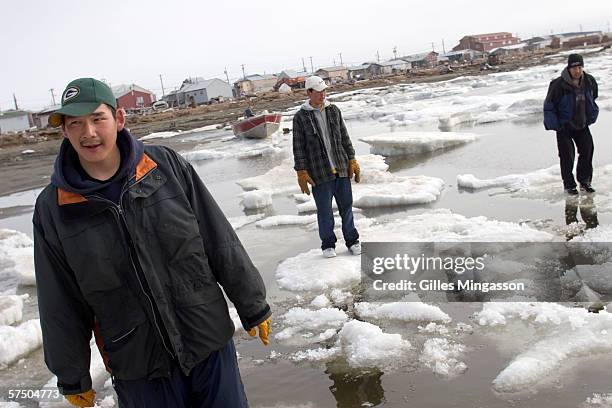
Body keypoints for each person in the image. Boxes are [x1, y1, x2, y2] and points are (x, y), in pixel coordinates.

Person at [33, 78, 272, 408]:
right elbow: (58, 298)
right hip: (138, 365)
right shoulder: (54, 208)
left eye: (97, 119)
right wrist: (71, 374)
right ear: (65, 131)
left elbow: (217, 237)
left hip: (206, 340)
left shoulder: (165, 167)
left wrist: (252, 303)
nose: (88, 133)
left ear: (118, 120)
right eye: (75, 123)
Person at [292, 75, 361, 258]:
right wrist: (301, 171)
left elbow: (344, 137)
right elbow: (298, 147)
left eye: (324, 91)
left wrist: (352, 160)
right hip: (319, 173)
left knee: (346, 207)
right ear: (309, 93)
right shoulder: (301, 117)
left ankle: (352, 241)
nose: (322, 95)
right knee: (324, 212)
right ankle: (328, 245)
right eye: (318, 92)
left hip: (341, 168)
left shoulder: (334, 110)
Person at [544, 53, 599, 195]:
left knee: (587, 152)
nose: (577, 70)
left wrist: (592, 115)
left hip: (582, 124)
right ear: (569, 68)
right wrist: (556, 125)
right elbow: (549, 106)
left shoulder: (589, 81)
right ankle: (569, 186)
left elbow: (593, 97)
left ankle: (585, 181)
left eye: (580, 67)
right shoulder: (558, 85)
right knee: (567, 156)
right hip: (565, 126)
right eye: (574, 67)